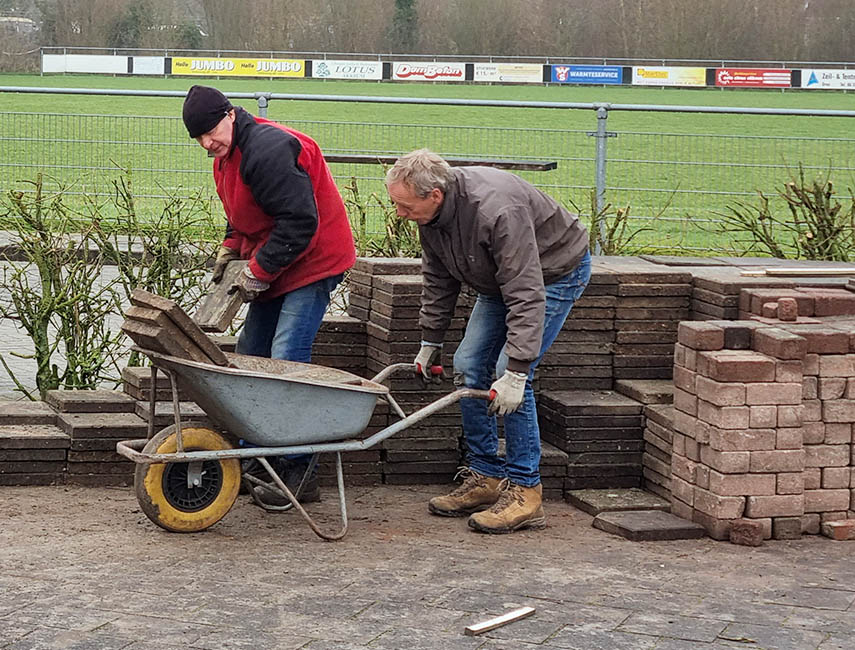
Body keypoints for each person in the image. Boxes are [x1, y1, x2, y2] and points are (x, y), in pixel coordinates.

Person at [385, 149, 590, 534]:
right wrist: (431, 339)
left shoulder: (496, 210)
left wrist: (517, 371)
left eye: (405, 206)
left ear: (435, 195)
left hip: (552, 274)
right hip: (500, 279)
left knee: (507, 373)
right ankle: (487, 476)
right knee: (467, 365)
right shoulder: (431, 216)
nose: (399, 213)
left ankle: (526, 490)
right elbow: (438, 277)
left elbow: (526, 291)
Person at [182, 85, 356, 507]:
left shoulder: (269, 150)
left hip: (314, 259)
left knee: (285, 360)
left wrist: (258, 272)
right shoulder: (226, 157)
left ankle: (298, 469)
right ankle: (257, 457)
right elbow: (243, 214)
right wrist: (230, 247)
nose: (206, 143)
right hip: (278, 257)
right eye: (198, 138)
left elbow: (299, 223)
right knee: (250, 354)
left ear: (229, 114)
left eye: (210, 132)